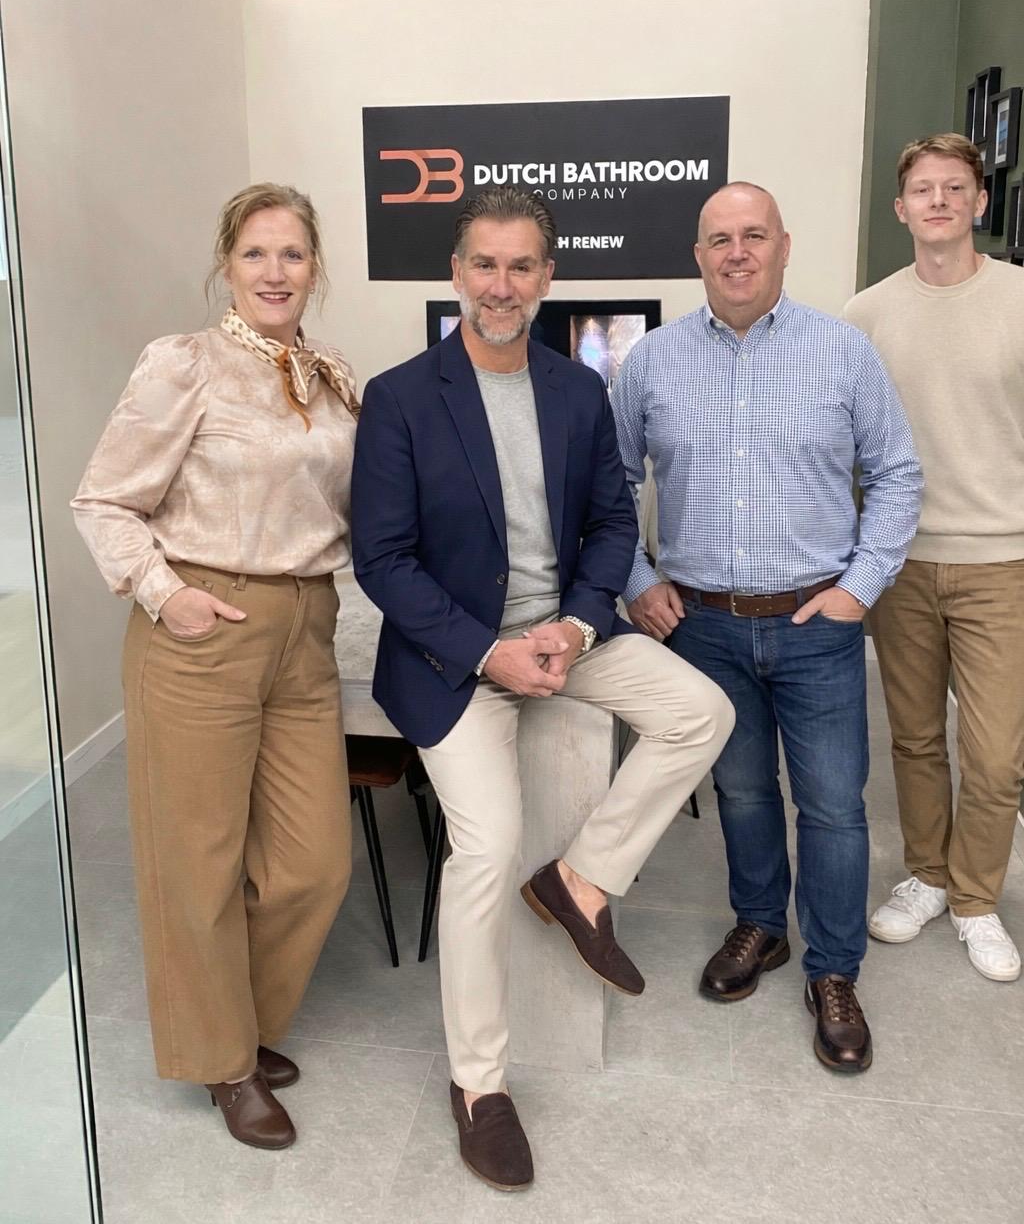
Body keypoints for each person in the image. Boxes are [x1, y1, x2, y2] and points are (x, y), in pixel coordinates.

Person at [351, 187, 733, 1190]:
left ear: (548, 278)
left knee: (703, 710)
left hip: (567, 634)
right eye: (485, 263)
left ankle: (580, 878)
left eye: (523, 266)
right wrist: (491, 653)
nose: (501, 284)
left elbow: (612, 526)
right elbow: (383, 561)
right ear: (456, 272)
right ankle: (479, 1084)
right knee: (482, 841)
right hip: (455, 656)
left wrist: (568, 625)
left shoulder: (575, 391)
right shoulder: (399, 396)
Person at [72, 183, 359, 1148]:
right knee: (194, 862)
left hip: (305, 631)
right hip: (202, 622)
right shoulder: (183, 363)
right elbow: (104, 500)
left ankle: (242, 1019)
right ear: (226, 266)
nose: (276, 271)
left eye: (293, 254)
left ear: (316, 267)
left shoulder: (332, 377)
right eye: (256, 254)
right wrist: (166, 593)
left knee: (313, 863)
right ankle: (224, 1059)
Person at [612, 182, 921, 1074]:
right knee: (743, 794)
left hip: (817, 619)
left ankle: (833, 971)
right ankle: (760, 926)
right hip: (704, 627)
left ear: (785, 246)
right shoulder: (654, 362)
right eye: (719, 239)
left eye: (754, 236)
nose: (737, 252)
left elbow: (897, 474)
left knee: (830, 805)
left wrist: (861, 586)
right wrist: (637, 579)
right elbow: (607, 483)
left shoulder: (843, 353)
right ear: (698, 253)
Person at [843, 134, 1024, 983]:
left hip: (1003, 562)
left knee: (994, 755)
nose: (941, 201)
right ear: (902, 208)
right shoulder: (866, 315)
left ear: (980, 203)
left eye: (956, 187)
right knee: (915, 738)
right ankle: (927, 872)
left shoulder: (1020, 299)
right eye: (924, 189)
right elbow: (842, 443)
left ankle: (977, 899)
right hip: (900, 561)